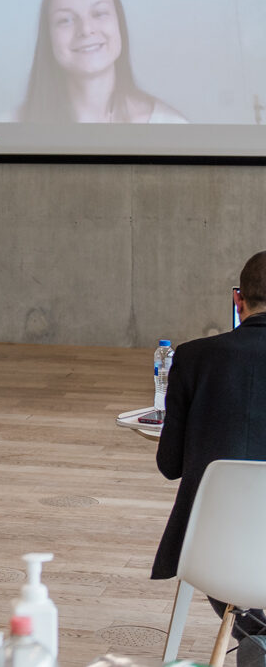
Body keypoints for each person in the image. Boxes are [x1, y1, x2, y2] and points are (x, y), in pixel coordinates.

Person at [152, 250, 266, 639]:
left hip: (214, 549)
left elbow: (170, 465)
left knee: (220, 554)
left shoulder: (193, 357)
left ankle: (255, 637)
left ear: (238, 300)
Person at [18, 0, 187, 124]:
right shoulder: (12, 126)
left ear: (119, 24)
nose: (86, 29)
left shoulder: (170, 125)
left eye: (99, 13)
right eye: (65, 20)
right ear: (48, 36)